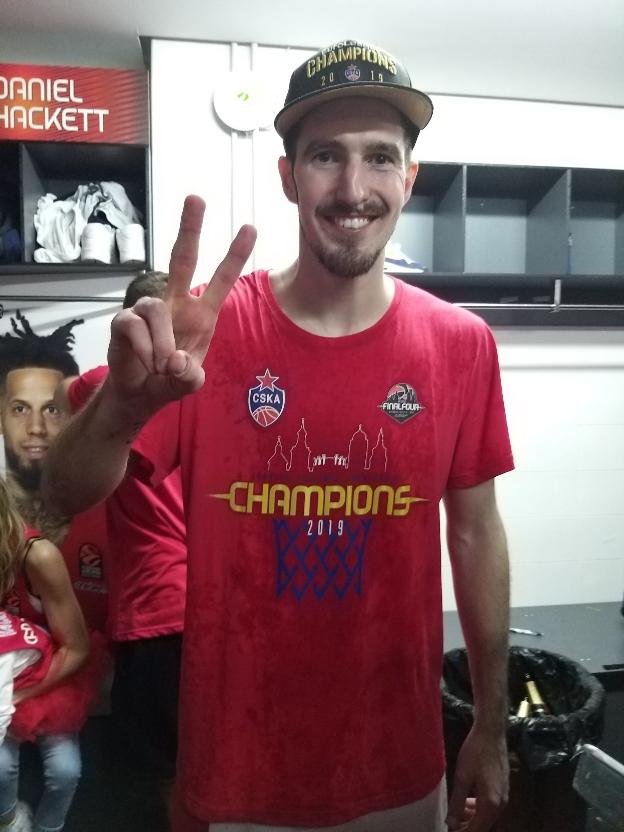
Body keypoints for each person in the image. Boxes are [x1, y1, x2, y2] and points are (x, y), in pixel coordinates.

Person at [43, 39, 514, 832]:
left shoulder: (461, 345)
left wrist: (491, 724)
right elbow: (60, 491)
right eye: (326, 156)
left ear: (410, 178)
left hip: (399, 769)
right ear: (288, 176)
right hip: (236, 768)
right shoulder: (209, 333)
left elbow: (476, 534)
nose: (353, 188)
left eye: (379, 158)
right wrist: (122, 410)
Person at [55, 270, 186, 818]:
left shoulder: (106, 390)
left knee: (164, 774)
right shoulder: (189, 388)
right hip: (196, 607)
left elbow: (73, 388)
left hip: (161, 607)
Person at [0, 313, 108, 635]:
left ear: (74, 413)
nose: (36, 428)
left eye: (52, 409)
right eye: (20, 409)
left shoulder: (111, 509)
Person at [0, 476, 90, 832]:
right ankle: (10, 820)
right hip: (6, 675)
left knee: (66, 770)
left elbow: (77, 649)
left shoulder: (38, 556)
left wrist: (20, 694)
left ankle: (48, 828)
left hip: (50, 673)